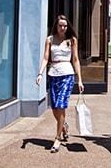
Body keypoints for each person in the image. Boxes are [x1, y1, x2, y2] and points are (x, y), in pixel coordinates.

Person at [36, 15, 84, 153]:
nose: (63, 28)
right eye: (60, 25)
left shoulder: (72, 40)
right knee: (54, 106)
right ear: (56, 26)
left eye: (65, 26)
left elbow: (75, 60)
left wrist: (79, 79)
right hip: (53, 74)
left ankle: (57, 138)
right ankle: (63, 125)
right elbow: (46, 58)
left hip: (67, 74)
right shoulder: (50, 40)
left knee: (61, 105)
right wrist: (40, 73)